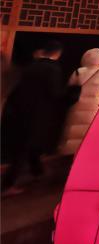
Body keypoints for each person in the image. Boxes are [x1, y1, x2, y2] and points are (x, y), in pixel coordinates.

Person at [1, 40, 65, 194]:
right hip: (38, 114)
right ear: (58, 53)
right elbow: (55, 93)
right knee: (24, 148)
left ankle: (38, 172)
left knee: (30, 146)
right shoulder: (53, 70)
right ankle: (7, 185)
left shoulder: (31, 66)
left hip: (21, 112)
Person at [59, 48, 99, 155]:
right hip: (94, 110)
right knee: (89, 136)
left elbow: (69, 88)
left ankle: (69, 156)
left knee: (73, 136)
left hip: (76, 109)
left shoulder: (78, 72)